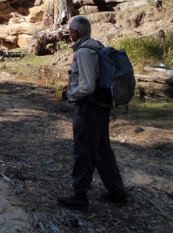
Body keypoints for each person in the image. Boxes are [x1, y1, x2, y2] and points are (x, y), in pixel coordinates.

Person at [54, 16, 127, 210]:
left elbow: (87, 86)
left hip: (89, 108)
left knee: (84, 151)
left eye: (70, 30)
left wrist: (67, 95)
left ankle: (79, 197)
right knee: (102, 150)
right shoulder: (96, 46)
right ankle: (117, 192)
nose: (69, 33)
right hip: (101, 107)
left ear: (75, 32)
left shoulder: (84, 52)